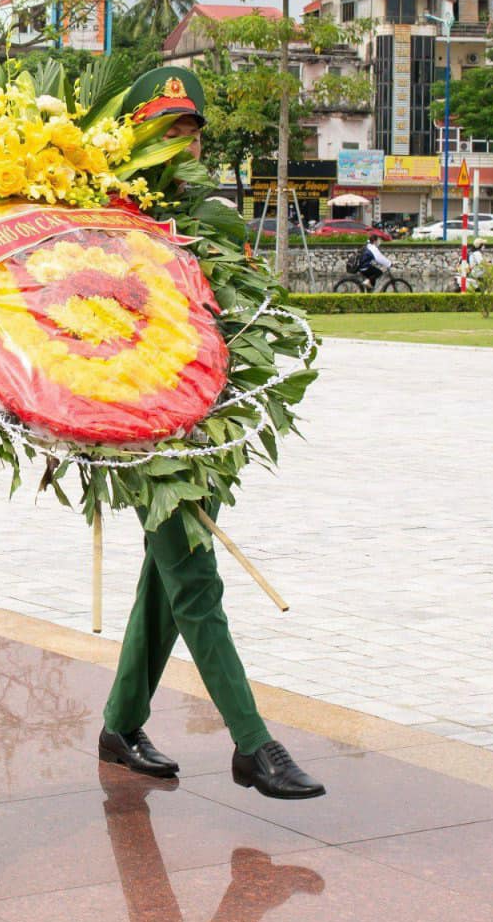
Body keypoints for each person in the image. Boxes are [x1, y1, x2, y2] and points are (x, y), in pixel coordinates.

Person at [96, 68, 326, 802]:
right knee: (195, 577)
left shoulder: (210, 219)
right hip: (141, 422)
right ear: (136, 139)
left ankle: (121, 721)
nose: (181, 143)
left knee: (167, 578)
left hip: (206, 419)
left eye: (189, 130)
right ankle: (253, 744)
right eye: (165, 131)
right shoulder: (110, 221)